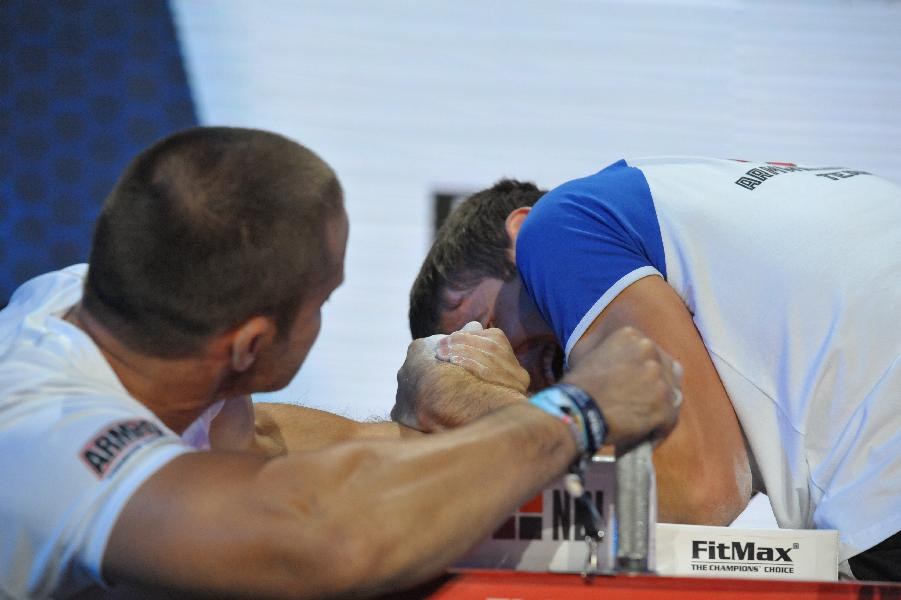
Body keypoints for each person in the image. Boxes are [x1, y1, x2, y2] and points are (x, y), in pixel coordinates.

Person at [0, 128, 683, 599]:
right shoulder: (46, 433)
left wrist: (438, 398)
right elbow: (324, 533)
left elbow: (268, 445)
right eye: (323, 298)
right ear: (248, 347)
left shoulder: (127, 305)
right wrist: (574, 410)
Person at [402, 157, 901, 581]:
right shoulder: (696, 225)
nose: (509, 361)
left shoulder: (557, 226)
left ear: (519, 230)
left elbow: (699, 491)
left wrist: (458, 398)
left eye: (484, 325)